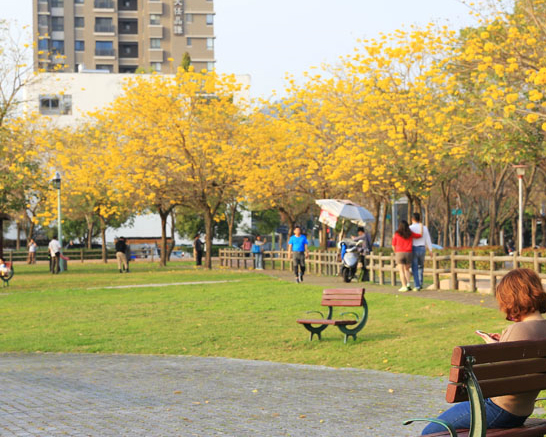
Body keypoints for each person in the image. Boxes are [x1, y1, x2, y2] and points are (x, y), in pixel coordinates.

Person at [421, 268, 546, 435]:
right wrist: (500, 346)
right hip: (523, 411)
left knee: (431, 432)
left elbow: (498, 377)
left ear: (512, 298)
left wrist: (492, 348)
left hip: (498, 409)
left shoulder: (517, 329)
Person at [392, 220, 422, 292]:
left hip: (399, 253)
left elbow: (393, 245)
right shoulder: (410, 233)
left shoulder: (396, 234)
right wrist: (421, 227)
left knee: (401, 270)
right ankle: (408, 284)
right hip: (409, 253)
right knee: (407, 269)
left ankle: (404, 286)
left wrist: (395, 251)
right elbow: (419, 235)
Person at [409, 213, 433, 291]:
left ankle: (417, 285)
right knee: (420, 266)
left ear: (412, 219)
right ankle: (420, 282)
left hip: (414, 248)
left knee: (414, 267)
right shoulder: (424, 228)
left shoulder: (410, 228)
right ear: (419, 219)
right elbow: (428, 239)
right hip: (422, 248)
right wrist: (430, 250)